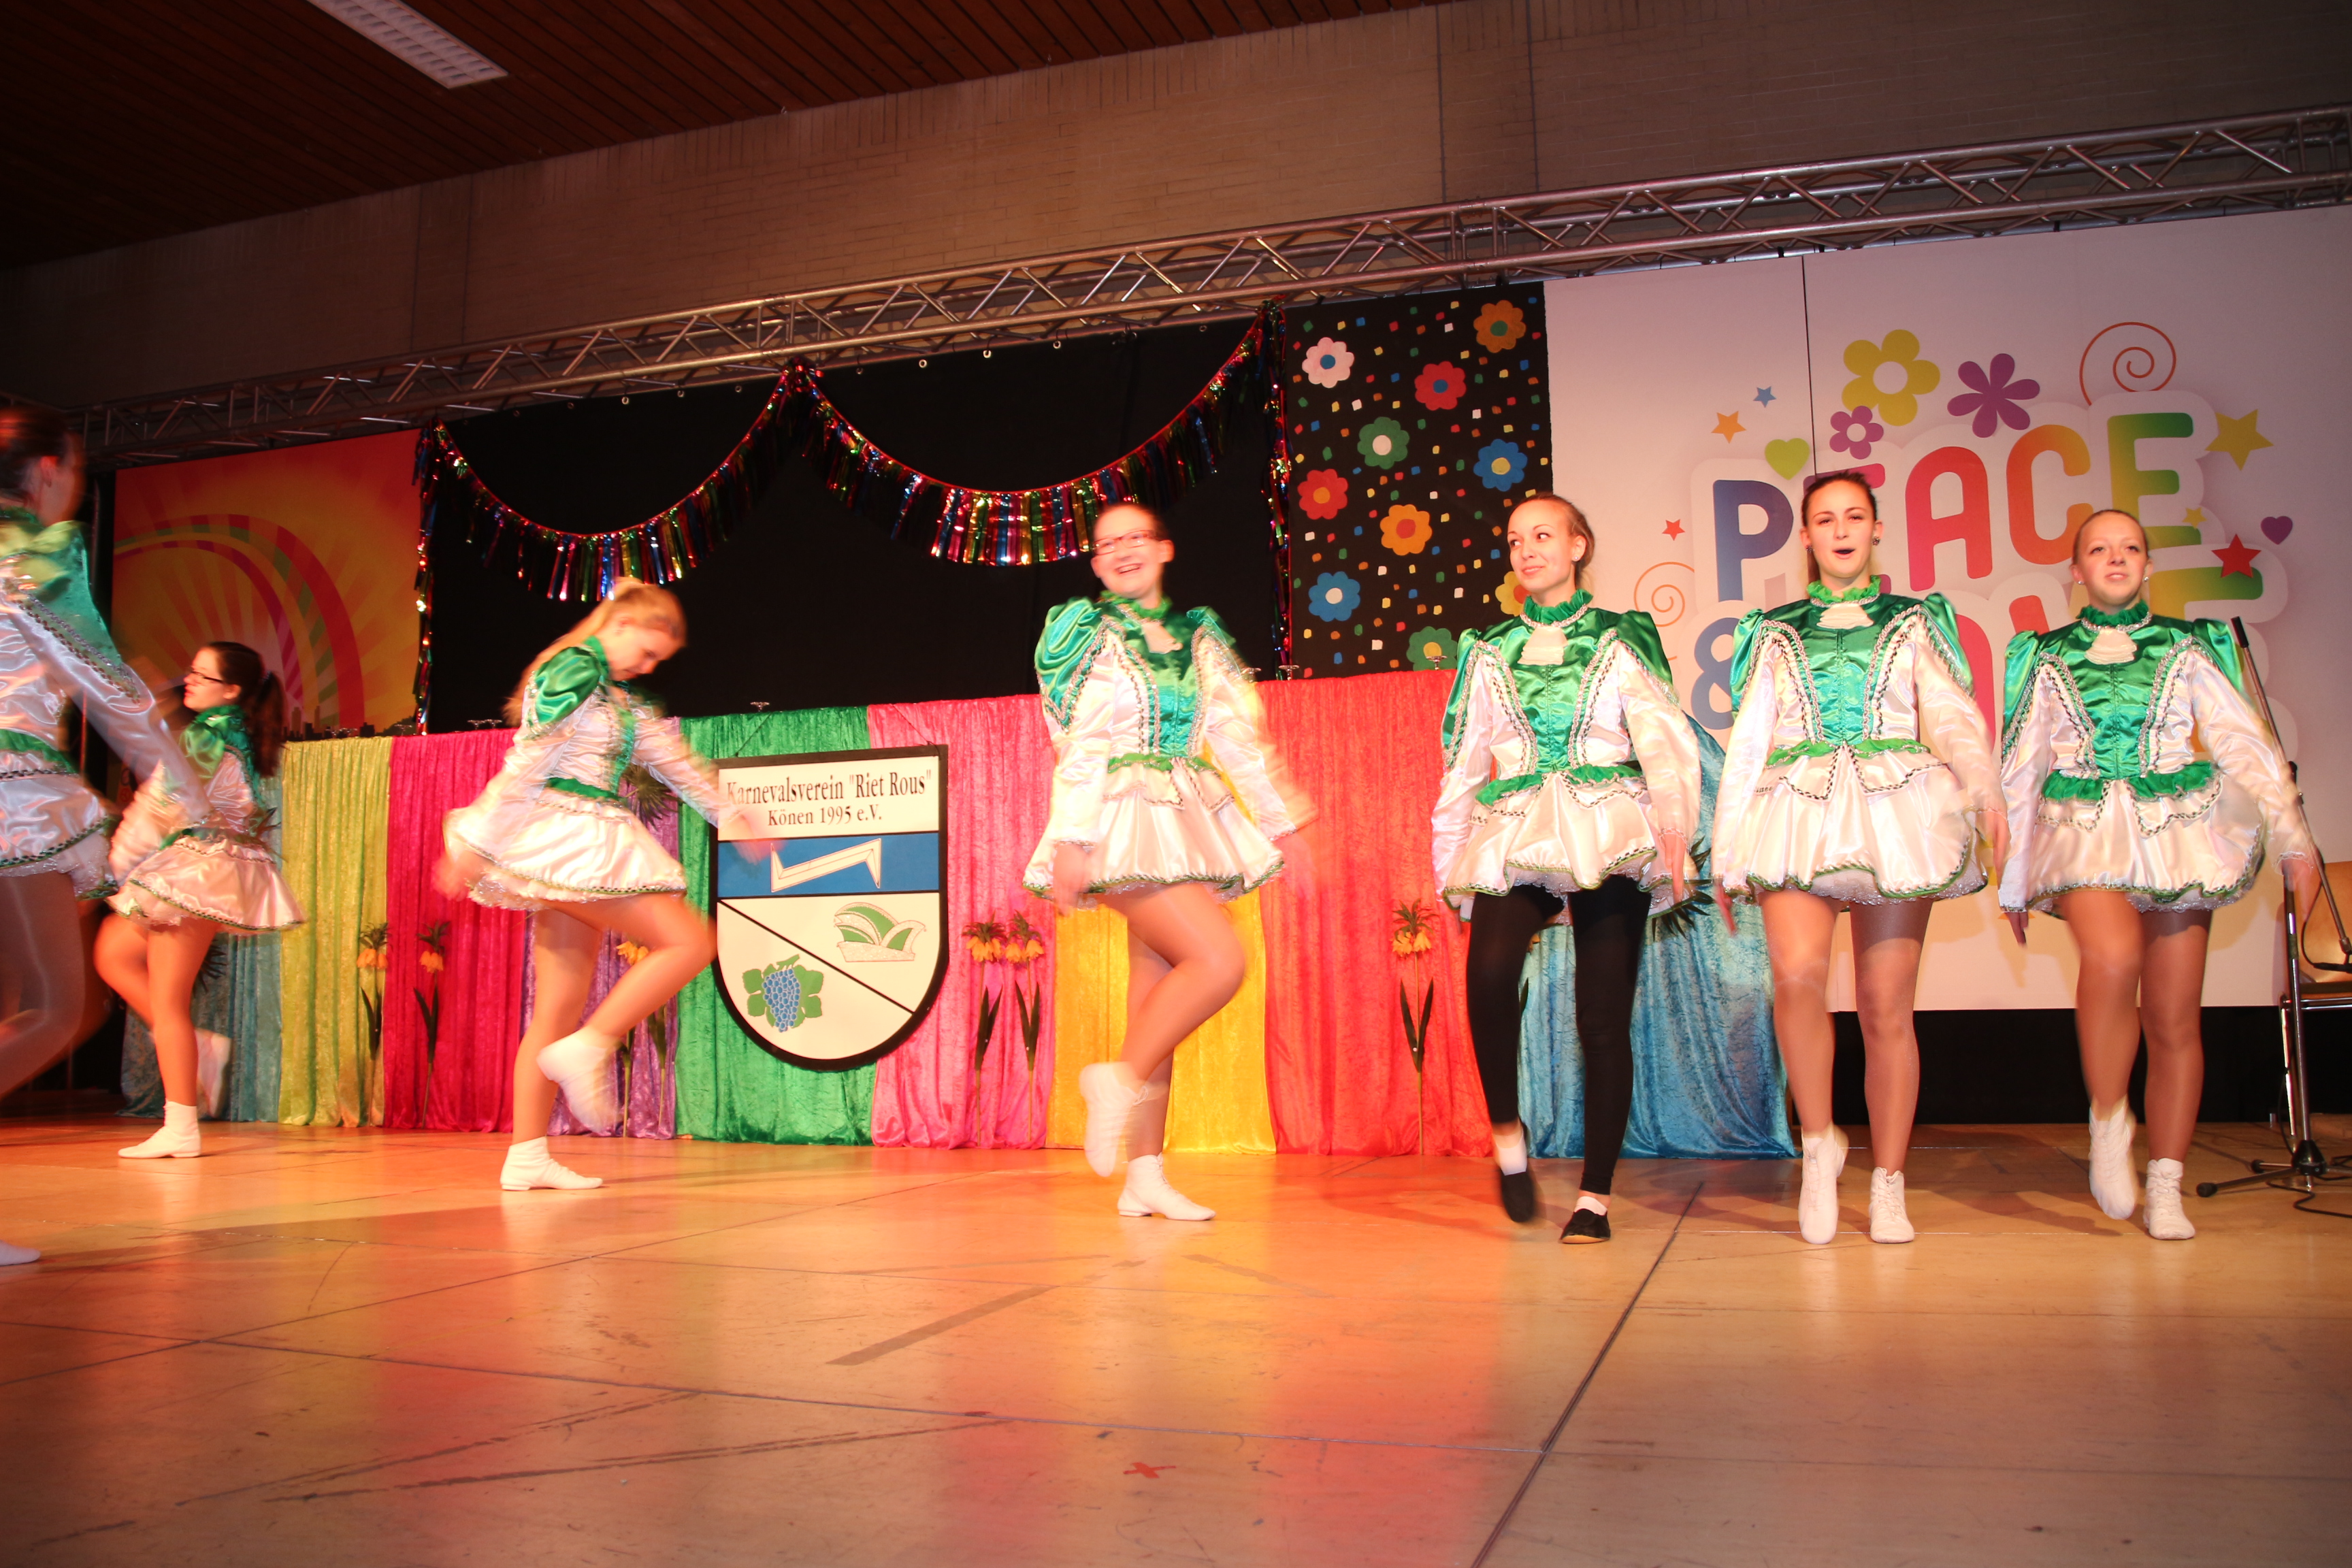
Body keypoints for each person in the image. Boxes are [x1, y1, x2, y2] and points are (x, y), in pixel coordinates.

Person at [1999, 508, 2317, 1239]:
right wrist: (2014, 881)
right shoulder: (2046, 655)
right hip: (2085, 831)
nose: (2116, 558)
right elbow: (2022, 765)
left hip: (2175, 833)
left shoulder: (2188, 644)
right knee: (2113, 957)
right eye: (2099, 549)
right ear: (2076, 571)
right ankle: (2110, 1118)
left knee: (2175, 1016)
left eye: (2130, 547)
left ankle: (2167, 1180)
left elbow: (2244, 743)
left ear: (2147, 565)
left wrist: (2293, 841)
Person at [1712, 472, 2003, 1245]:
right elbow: (1751, 739)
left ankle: (1889, 1181)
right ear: (1806, 536)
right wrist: (1728, 849)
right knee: (1797, 979)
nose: (1840, 530)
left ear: (1876, 529)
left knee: (1884, 1005)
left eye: (1854, 517)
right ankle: (1818, 1148)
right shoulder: (1775, 629)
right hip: (1798, 813)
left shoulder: (1913, 620)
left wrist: (1985, 792)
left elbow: (1951, 715)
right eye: (1825, 519)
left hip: (1894, 814)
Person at [1026, 502, 1313, 1221]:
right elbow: (1081, 745)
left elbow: (1238, 740)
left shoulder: (1200, 638)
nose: (1122, 551)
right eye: (1105, 545)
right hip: (1118, 817)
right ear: (1096, 565)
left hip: (1182, 817)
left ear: (1164, 549)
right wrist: (1072, 838)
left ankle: (1144, 1175)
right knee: (1219, 961)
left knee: (1157, 993)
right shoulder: (1088, 633)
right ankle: (1115, 1080)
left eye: (1135, 538)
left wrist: (1282, 824)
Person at [438, 579, 770, 1192]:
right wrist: (478, 844)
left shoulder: (616, 696)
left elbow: (676, 765)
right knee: (692, 942)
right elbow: (528, 762)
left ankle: (526, 1156)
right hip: (566, 836)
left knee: (556, 1010)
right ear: (620, 626)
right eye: (645, 653)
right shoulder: (573, 671)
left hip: (574, 846)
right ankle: (592, 1046)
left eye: (657, 661)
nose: (648, 668)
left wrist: (733, 816)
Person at [1431, 494, 1698, 1242]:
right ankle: (1507, 1136)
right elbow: (1464, 761)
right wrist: (1448, 860)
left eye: (1543, 535)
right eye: (1516, 539)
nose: (1527, 549)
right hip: (1519, 827)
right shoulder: (1490, 649)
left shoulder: (1621, 636)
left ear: (1579, 546)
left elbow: (1663, 741)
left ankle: (1595, 1197)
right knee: (1488, 974)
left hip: (1607, 825)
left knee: (1601, 1016)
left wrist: (1675, 831)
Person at [0, 407, 193, 1256]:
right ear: (47, 471)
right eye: (75, 470)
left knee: (26, 1003)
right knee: (57, 1008)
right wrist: (181, 780)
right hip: (13, 794)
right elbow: (109, 689)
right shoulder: (38, 554)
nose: (75, 487)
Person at [101, 642, 305, 1157]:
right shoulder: (228, 731)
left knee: (167, 1001)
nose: (188, 680)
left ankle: (181, 1126)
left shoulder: (209, 735)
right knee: (113, 954)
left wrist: (115, 864)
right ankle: (197, 1049)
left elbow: (163, 806)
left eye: (202, 675)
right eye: (190, 671)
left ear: (231, 690)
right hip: (205, 863)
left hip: (199, 869)